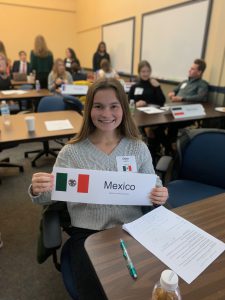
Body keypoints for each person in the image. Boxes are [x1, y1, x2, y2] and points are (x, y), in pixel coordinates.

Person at [29, 78, 168, 300]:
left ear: (124, 107)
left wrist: (159, 194)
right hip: (87, 234)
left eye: (114, 106)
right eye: (98, 106)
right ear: (88, 109)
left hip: (131, 229)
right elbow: (49, 196)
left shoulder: (137, 147)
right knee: (99, 293)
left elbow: (152, 186)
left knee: (149, 286)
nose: (106, 113)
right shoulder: (72, 152)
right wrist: (39, 189)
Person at [129, 60, 167, 163]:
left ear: (150, 72)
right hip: (139, 116)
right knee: (151, 130)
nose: (145, 74)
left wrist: (158, 87)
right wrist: (136, 104)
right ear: (139, 72)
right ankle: (164, 150)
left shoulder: (154, 85)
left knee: (155, 129)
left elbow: (162, 101)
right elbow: (129, 102)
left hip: (154, 115)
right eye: (143, 71)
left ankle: (153, 155)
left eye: (147, 71)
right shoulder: (134, 86)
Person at [167, 59, 209, 153]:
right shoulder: (185, 82)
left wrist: (182, 98)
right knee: (159, 124)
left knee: (171, 124)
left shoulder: (202, 84)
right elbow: (175, 89)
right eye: (190, 68)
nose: (189, 70)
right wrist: (172, 93)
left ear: (199, 72)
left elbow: (201, 97)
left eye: (192, 69)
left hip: (187, 113)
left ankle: (170, 148)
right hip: (173, 109)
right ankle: (165, 144)